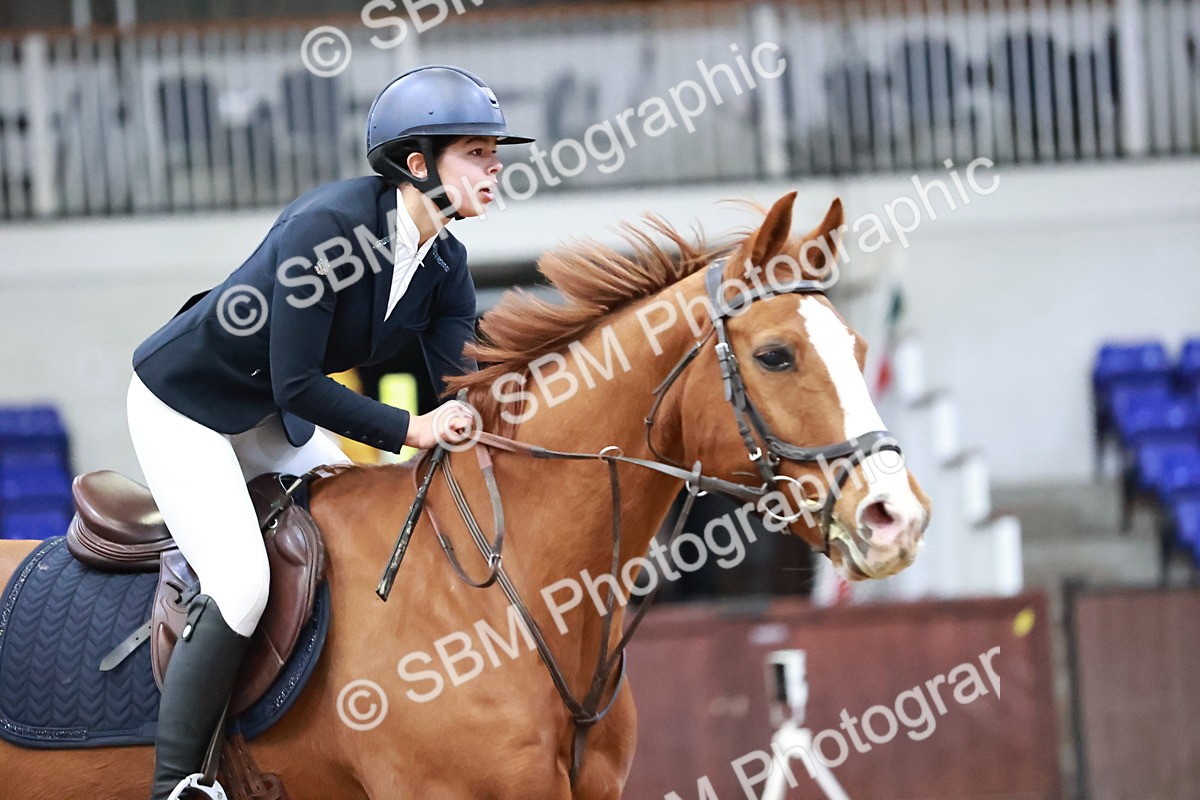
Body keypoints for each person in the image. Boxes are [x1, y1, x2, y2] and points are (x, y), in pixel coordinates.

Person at [126, 65, 532, 800]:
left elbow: (463, 388)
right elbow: (300, 384)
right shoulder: (328, 230)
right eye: (477, 152)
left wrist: (517, 417)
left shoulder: (446, 264)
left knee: (361, 538)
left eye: (493, 153)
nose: (495, 165)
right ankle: (177, 783)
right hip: (185, 407)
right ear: (418, 165)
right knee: (242, 585)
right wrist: (414, 428)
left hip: (268, 420)